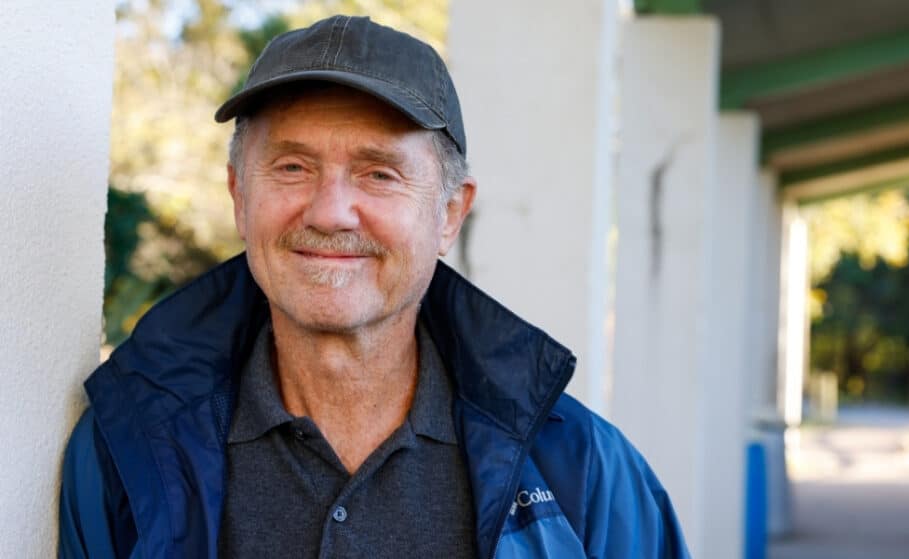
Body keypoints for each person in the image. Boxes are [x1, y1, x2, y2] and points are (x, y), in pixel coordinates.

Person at [59, 15, 689, 559]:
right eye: (292, 167)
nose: (330, 212)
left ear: (449, 214)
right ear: (239, 196)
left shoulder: (582, 470)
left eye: (379, 173)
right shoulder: (128, 452)